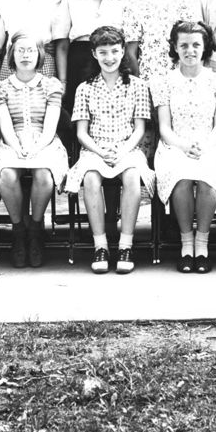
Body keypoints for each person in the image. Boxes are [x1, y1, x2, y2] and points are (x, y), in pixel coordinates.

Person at [151, 21, 216, 273]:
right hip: (174, 145)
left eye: (196, 45)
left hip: (211, 143)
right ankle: (185, 243)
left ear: (205, 47)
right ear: (175, 48)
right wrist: (182, 145)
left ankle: (202, 244)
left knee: (207, 180)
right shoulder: (163, 81)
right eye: (184, 45)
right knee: (181, 178)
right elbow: (164, 127)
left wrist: (204, 145)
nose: (190, 50)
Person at [65, 26, 155, 274]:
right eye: (103, 52)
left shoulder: (137, 86)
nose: (109, 57)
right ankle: (100, 245)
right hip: (96, 149)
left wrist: (124, 150)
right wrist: (101, 152)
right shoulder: (85, 88)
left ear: (123, 51)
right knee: (91, 179)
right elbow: (82, 133)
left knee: (132, 178)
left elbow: (139, 129)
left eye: (115, 51)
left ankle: (126, 244)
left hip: (128, 148)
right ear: (94, 54)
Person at [0, 32, 69, 268]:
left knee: (43, 173)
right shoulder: (1, 88)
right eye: (20, 50)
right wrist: (18, 146)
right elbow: (5, 126)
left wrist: (37, 146)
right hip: (12, 141)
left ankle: (35, 228)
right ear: (12, 54)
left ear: (39, 55)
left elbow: (50, 126)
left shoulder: (51, 86)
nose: (25, 55)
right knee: (8, 174)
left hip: (45, 140)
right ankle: (18, 231)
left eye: (30, 50)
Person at [52, 0, 128, 115]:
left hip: (113, 62)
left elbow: (129, 46)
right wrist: (63, 81)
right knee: (81, 115)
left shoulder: (123, 0)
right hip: (79, 62)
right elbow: (62, 45)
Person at [122, 0, 201, 84]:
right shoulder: (135, 4)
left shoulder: (188, 2)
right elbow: (131, 52)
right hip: (148, 81)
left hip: (181, 80)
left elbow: (196, 45)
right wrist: (138, 84)